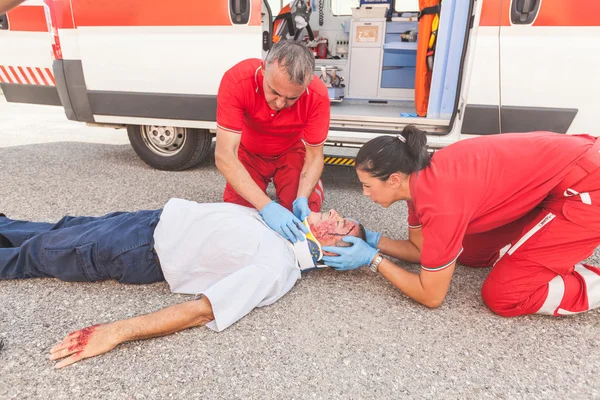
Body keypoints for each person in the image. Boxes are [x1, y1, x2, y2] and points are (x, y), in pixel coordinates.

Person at [0, 199, 365, 368]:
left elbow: (202, 310)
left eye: (342, 225)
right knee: (61, 228)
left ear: (331, 253)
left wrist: (116, 331)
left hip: (139, 248)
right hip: (151, 219)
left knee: (37, 255)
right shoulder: (287, 230)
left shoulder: (277, 267)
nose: (335, 214)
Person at [322, 125, 600, 318]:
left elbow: (431, 296)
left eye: (367, 185)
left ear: (394, 180)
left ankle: (563, 268)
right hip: (555, 181)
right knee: (470, 253)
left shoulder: (440, 204)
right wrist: (370, 237)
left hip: (587, 187)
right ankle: (537, 252)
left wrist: (374, 260)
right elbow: (420, 251)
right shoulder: (418, 180)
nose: (364, 193)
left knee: (503, 296)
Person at [215, 40, 330, 244]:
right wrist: (265, 206)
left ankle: (310, 192)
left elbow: (314, 157)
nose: (279, 103)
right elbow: (225, 155)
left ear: (306, 85)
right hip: (249, 153)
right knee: (238, 215)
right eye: (274, 92)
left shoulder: (317, 95)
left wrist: (302, 196)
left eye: (291, 98)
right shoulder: (237, 80)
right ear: (263, 68)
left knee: (300, 218)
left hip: (290, 152)